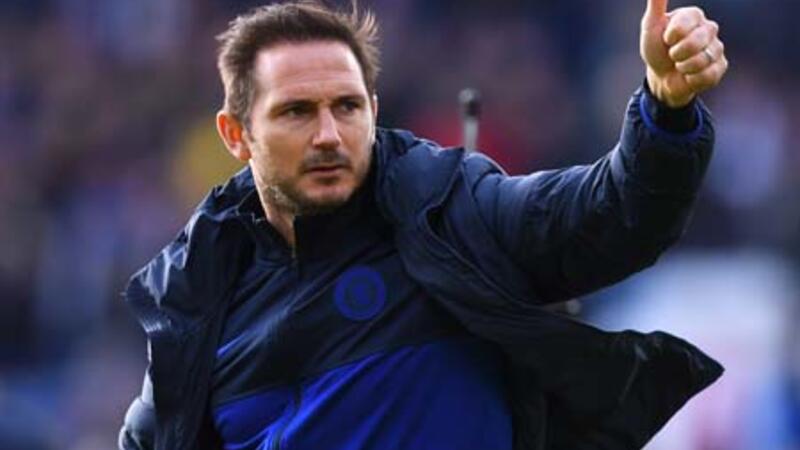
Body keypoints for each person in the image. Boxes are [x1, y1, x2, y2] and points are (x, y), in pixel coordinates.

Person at [118, 0, 729, 449]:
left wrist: (664, 109)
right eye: (296, 112)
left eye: (346, 107)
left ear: (373, 110)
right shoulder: (200, 295)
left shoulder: (448, 215)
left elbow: (612, 214)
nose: (328, 134)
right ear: (236, 134)